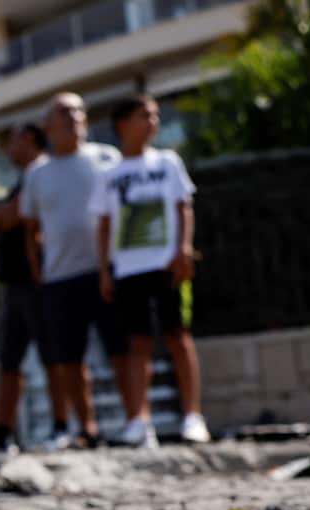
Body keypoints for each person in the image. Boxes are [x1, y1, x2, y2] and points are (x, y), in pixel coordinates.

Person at [93, 94, 210, 447]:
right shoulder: (109, 175)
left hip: (166, 265)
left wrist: (184, 249)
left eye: (156, 116)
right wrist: (104, 270)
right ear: (123, 124)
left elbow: (183, 206)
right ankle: (139, 421)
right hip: (128, 270)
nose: (153, 122)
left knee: (178, 336)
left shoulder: (168, 162)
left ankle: (193, 416)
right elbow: (103, 225)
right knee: (137, 344)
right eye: (145, 115)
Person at [19, 92, 132, 448]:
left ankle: (137, 422)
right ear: (48, 125)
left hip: (107, 270)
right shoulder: (38, 174)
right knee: (69, 358)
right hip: (59, 278)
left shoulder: (107, 158)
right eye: (63, 112)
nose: (73, 117)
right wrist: (39, 271)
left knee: (121, 350)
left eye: (78, 111)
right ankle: (87, 428)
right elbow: (30, 229)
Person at [0, 123, 58, 452]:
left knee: (54, 357)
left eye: (11, 141)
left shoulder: (43, 175)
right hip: (17, 285)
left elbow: (15, 220)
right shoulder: (22, 182)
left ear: (28, 139)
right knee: (11, 361)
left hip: (38, 281)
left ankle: (63, 425)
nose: (7, 150)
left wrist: (2, 218)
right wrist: (0, 218)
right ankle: (2, 431)